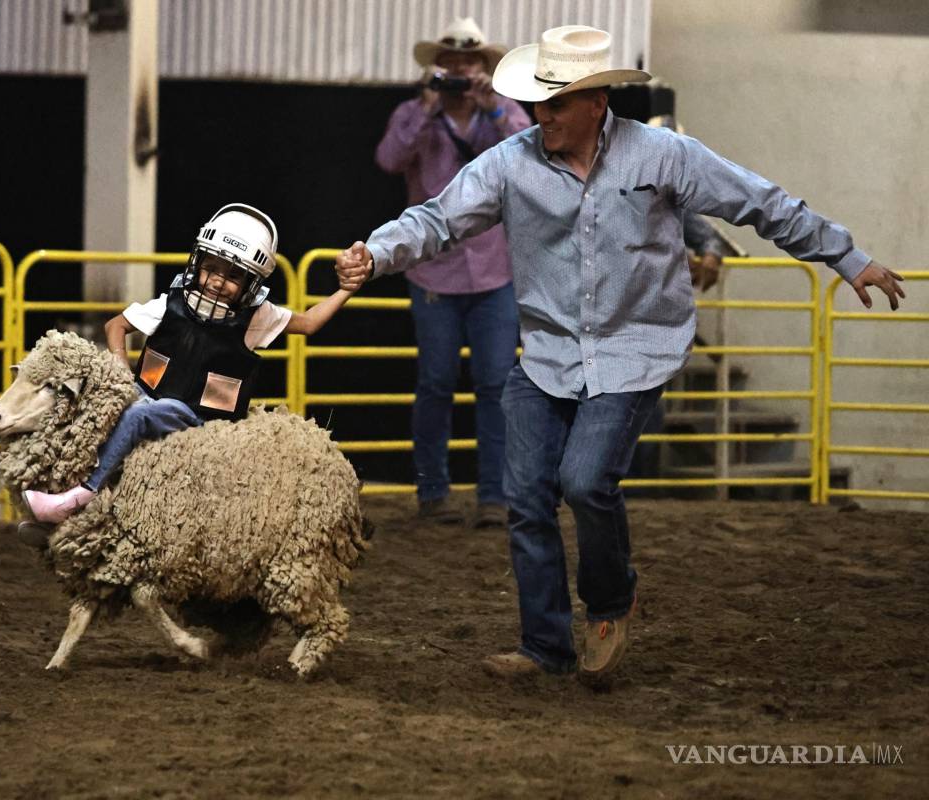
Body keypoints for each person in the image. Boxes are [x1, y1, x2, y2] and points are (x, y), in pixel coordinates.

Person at [335, 25, 905, 684]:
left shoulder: (662, 154)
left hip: (637, 348)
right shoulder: (509, 162)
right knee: (526, 497)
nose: (541, 115)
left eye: (555, 103)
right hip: (548, 352)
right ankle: (545, 644)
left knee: (583, 480)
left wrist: (846, 255)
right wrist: (376, 251)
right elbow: (437, 217)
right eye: (539, 102)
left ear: (596, 102)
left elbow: (760, 201)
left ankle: (609, 601)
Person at [22, 203, 355, 526]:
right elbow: (116, 326)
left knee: (141, 414)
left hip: (200, 417)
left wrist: (345, 290)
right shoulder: (173, 300)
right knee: (93, 402)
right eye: (211, 267)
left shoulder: (256, 317)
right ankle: (51, 500)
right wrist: (121, 378)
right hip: (148, 395)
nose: (217, 281)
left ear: (251, 284)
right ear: (198, 261)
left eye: (234, 275)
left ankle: (80, 497)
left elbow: (309, 323)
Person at [375, 17, 533, 528]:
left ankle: (494, 496)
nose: (460, 69)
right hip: (434, 275)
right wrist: (424, 109)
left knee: (495, 385)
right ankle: (433, 493)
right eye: (451, 61)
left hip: (494, 273)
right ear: (437, 66)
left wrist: (493, 108)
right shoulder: (414, 112)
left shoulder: (504, 113)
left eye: (470, 61)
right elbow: (388, 159)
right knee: (436, 383)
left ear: (484, 67)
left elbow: (535, 160)